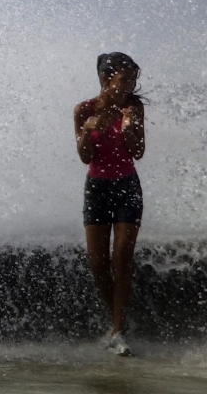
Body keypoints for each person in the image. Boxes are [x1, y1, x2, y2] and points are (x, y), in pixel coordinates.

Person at [74, 52, 145, 356]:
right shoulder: (84, 109)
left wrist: (129, 128)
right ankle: (119, 315)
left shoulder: (134, 107)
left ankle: (117, 333)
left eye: (133, 79)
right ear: (106, 78)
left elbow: (139, 152)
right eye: (124, 79)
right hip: (97, 188)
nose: (129, 85)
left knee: (122, 257)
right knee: (98, 264)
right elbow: (85, 156)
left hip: (128, 186)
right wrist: (90, 130)